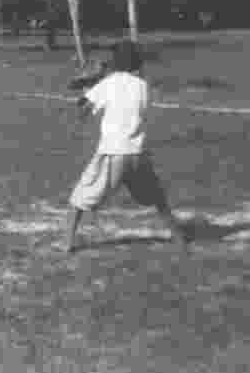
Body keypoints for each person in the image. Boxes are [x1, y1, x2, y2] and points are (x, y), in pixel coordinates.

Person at [63, 41, 189, 254]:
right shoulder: (143, 86)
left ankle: (67, 243)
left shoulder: (108, 83)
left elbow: (82, 112)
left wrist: (88, 89)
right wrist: (96, 84)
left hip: (112, 153)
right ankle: (179, 237)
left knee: (78, 199)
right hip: (138, 153)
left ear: (116, 62)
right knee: (157, 198)